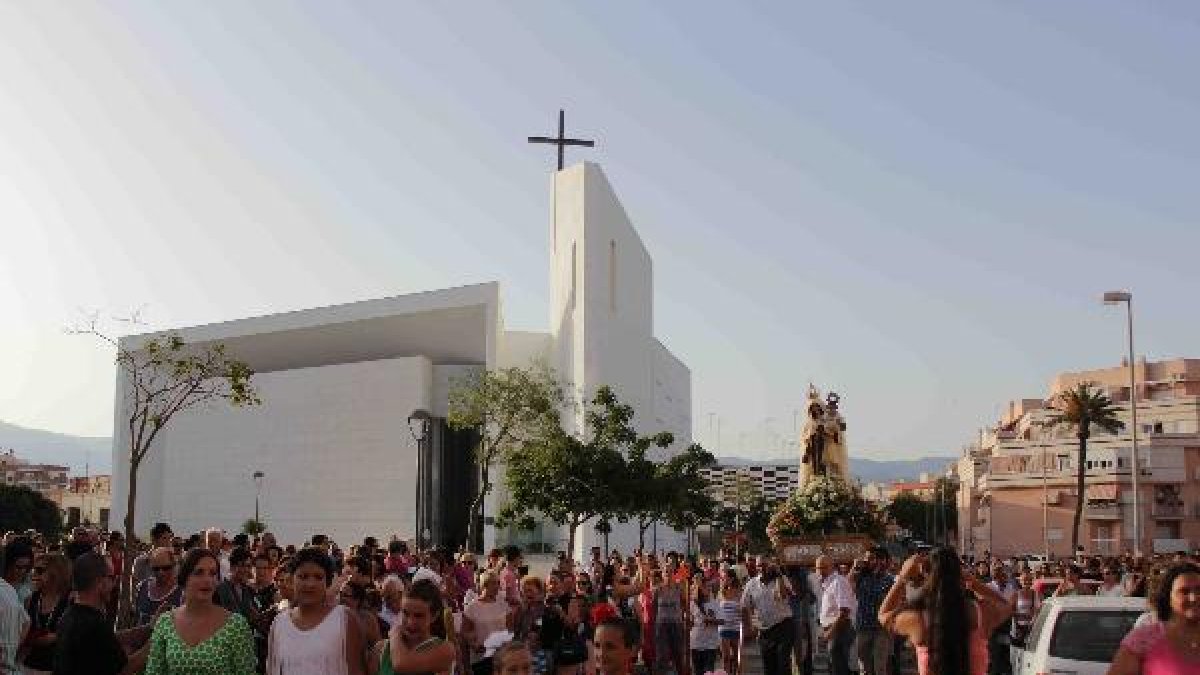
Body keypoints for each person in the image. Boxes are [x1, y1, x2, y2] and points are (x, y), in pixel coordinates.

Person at [877, 548, 1011, 675]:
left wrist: (903, 577)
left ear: (925, 574)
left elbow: (883, 616)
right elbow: (1005, 605)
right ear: (960, 573)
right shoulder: (980, 612)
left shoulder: (918, 618)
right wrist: (973, 581)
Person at [143, 548, 256, 674]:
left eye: (213, 573)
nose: (207, 580)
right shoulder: (165, 623)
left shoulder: (236, 625)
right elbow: (154, 671)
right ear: (184, 578)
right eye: (199, 573)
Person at [266, 548, 366, 675]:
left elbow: (356, 669)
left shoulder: (344, 619)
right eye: (303, 577)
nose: (310, 584)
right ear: (291, 580)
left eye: (318, 577)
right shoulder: (279, 623)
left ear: (327, 582)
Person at [53, 551, 149, 675]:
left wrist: (147, 628)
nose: (114, 584)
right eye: (112, 578)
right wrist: (156, 640)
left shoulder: (69, 615)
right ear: (101, 582)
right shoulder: (94, 625)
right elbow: (124, 669)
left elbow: (107, 640)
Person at [1108, 562, 1200, 675]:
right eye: (1184, 592)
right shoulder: (1143, 639)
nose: (1194, 598)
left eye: (1199, 590)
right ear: (1168, 597)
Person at [373, 578, 457, 675]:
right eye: (405, 613)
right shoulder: (381, 649)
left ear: (434, 616)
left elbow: (401, 665)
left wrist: (394, 633)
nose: (410, 622)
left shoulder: (445, 650)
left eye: (418, 616)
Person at [741, 556, 795, 675]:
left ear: (771, 566)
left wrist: (779, 575)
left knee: (783, 664)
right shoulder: (751, 584)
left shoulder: (782, 579)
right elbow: (744, 606)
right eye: (759, 565)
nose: (762, 568)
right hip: (765, 630)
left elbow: (783, 596)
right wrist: (749, 626)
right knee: (769, 667)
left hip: (783, 626)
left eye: (765, 565)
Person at [20, 553, 70, 675]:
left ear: (56, 573)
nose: (33, 574)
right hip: (28, 666)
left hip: (58, 667)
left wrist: (55, 637)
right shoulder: (30, 600)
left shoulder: (69, 602)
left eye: (39, 570)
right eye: (33, 570)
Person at [849, 547, 894, 675]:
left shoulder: (889, 580)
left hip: (881, 629)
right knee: (864, 667)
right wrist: (854, 567)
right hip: (863, 627)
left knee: (880, 667)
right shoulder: (861, 577)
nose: (868, 561)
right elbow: (848, 585)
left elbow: (890, 601)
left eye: (872, 558)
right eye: (867, 558)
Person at [814, 555, 856, 675]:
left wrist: (830, 631)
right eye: (818, 568)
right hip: (833, 629)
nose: (820, 571)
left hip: (839, 630)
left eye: (824, 567)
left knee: (838, 667)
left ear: (832, 567)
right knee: (834, 666)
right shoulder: (827, 583)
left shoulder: (838, 582)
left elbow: (844, 611)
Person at [463, 571, 510, 675]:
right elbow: (465, 632)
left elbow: (509, 628)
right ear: (484, 584)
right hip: (481, 658)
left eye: (498, 583)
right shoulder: (472, 607)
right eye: (493, 583)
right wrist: (474, 645)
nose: (497, 586)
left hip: (501, 656)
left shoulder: (503, 604)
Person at [134, 547, 183, 629]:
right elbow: (137, 619)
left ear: (174, 566)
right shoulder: (143, 587)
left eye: (166, 568)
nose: (161, 572)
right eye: (156, 569)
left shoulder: (182, 592)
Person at [688, 577, 720, 675]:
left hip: (711, 644)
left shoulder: (715, 603)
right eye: (705, 586)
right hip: (696, 643)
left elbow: (722, 620)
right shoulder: (692, 604)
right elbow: (689, 622)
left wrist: (712, 620)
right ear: (700, 588)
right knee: (697, 671)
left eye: (709, 586)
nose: (708, 588)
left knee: (708, 671)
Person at [132, 523, 174, 588]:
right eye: (164, 538)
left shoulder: (172, 560)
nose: (168, 542)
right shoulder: (141, 561)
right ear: (154, 540)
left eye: (169, 538)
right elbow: (134, 585)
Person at [716, 571, 742, 675]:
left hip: (736, 627)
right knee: (725, 657)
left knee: (736, 657)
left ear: (731, 579)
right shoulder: (721, 592)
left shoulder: (739, 592)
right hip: (723, 628)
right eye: (722, 578)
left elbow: (744, 609)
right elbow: (717, 608)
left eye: (724, 577)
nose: (723, 580)